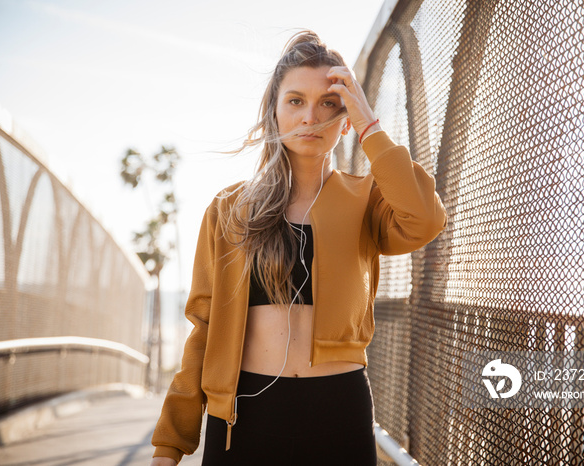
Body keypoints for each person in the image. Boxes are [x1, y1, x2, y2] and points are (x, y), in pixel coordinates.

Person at [149, 30, 447, 466]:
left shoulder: (366, 200)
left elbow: (426, 219)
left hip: (338, 414)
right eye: (295, 101)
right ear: (273, 111)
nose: (311, 116)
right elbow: (204, 330)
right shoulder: (231, 209)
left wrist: (371, 127)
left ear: (345, 118)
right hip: (244, 417)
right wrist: (168, 446)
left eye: (328, 103)